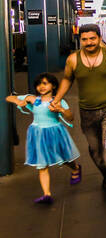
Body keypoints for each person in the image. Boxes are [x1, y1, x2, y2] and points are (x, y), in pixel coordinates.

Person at [51, 22, 106, 199]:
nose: (89, 42)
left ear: (99, 38)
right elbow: (67, 79)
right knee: (95, 151)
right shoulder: (73, 59)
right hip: (87, 111)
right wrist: (57, 98)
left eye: (92, 38)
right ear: (80, 40)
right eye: (85, 39)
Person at [6, 72, 82, 205]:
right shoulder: (33, 99)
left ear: (53, 86)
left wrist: (61, 110)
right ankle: (47, 194)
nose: (41, 86)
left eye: (45, 83)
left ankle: (75, 168)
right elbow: (9, 98)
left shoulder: (59, 100)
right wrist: (20, 101)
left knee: (63, 158)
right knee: (42, 165)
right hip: (38, 133)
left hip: (55, 132)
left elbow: (70, 117)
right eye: (38, 84)